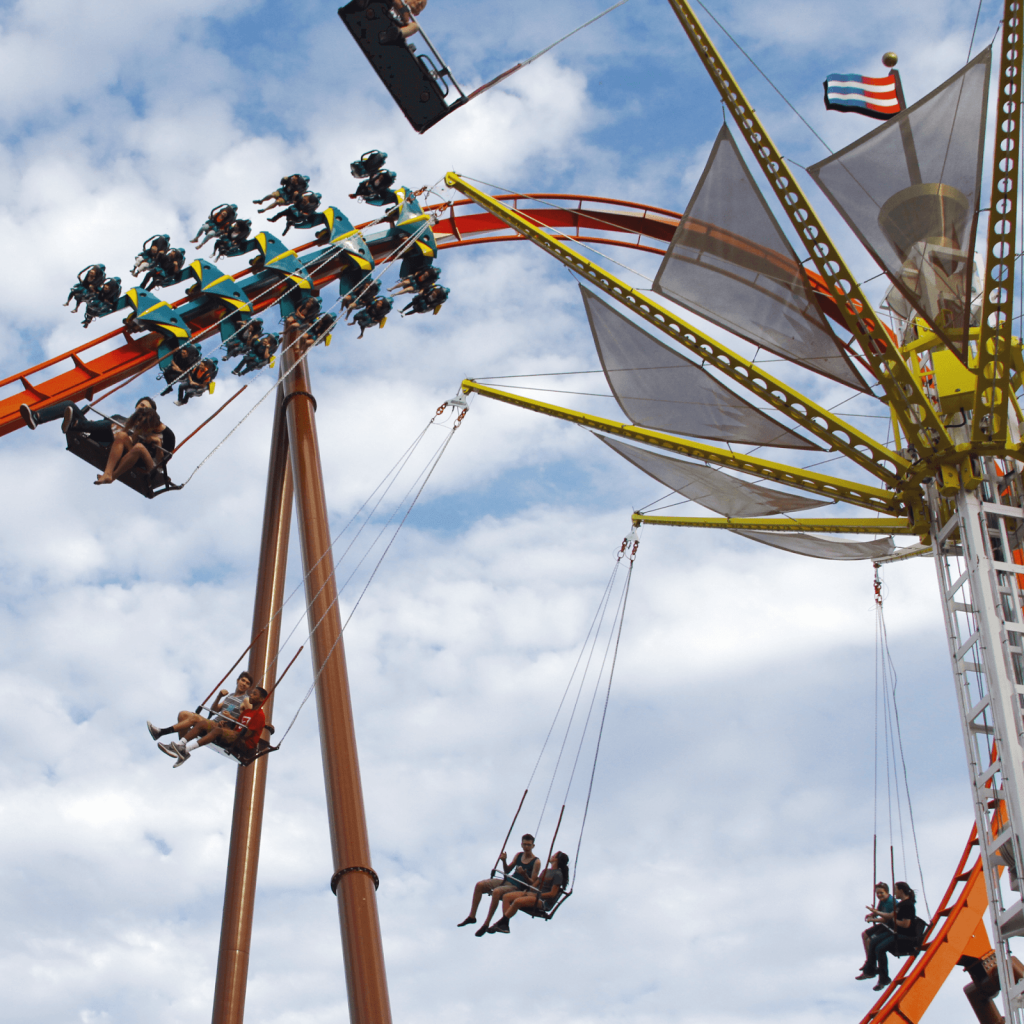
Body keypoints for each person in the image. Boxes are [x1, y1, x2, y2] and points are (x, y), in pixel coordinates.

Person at [148, 671, 254, 752]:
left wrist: (231, 718)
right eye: (243, 680)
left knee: (194, 718)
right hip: (213, 722)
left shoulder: (246, 700)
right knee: (183, 714)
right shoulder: (230, 696)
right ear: (237, 680)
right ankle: (180, 745)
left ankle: (161, 732)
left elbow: (248, 720)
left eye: (247, 683)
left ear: (249, 687)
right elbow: (214, 710)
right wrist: (219, 696)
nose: (244, 684)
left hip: (221, 728)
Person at [166, 685, 270, 767]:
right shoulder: (246, 712)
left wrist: (226, 732)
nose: (250, 695)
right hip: (235, 736)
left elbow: (246, 734)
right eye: (251, 693)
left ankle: (186, 750)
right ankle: (181, 744)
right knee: (203, 723)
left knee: (218, 731)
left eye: (254, 694)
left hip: (244, 744)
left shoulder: (259, 716)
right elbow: (235, 727)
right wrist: (225, 726)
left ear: (261, 699)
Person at [458, 835, 541, 936]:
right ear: (521, 845)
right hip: (507, 880)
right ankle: (472, 916)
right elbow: (507, 871)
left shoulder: (536, 862)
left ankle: (486, 923)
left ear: (533, 846)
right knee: (479, 885)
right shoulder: (519, 855)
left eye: (529, 845)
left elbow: (532, 883)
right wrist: (504, 861)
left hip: (518, 887)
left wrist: (524, 874)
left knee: (497, 892)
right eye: (524, 844)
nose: (526, 847)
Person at [19, 395, 165, 450]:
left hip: (111, 445)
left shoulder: (146, 429)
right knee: (69, 404)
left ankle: (75, 424)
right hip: (94, 432)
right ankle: (37, 417)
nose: (142, 408)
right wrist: (96, 424)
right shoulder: (119, 416)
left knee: (113, 426)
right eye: (141, 405)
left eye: (146, 408)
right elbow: (103, 425)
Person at [488, 850, 569, 934]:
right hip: (534, 894)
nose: (551, 856)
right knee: (506, 897)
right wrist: (524, 875)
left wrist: (537, 895)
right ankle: (505, 924)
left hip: (543, 901)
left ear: (556, 859)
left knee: (517, 901)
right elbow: (533, 886)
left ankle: (501, 923)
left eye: (554, 856)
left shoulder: (558, 874)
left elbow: (552, 894)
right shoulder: (545, 871)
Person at [858, 882, 917, 990]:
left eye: (895, 889)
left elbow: (905, 924)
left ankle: (883, 979)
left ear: (901, 890)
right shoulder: (900, 904)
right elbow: (890, 915)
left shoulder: (907, 905)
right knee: (873, 942)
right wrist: (875, 912)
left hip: (904, 935)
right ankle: (870, 970)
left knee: (879, 948)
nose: (894, 892)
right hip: (896, 931)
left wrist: (894, 921)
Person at [94, 403, 170, 484]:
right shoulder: (139, 428)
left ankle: (113, 477)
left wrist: (158, 443)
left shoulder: (159, 434)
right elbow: (130, 443)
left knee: (139, 447)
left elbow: (160, 464)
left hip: (152, 466)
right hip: (136, 456)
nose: (140, 424)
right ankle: (107, 473)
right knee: (122, 435)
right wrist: (136, 434)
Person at [860, 883, 896, 968]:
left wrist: (873, 919)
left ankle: (872, 963)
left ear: (887, 892)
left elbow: (887, 918)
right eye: (877, 893)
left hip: (891, 927)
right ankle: (869, 960)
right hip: (885, 925)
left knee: (870, 940)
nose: (879, 895)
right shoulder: (882, 901)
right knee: (864, 934)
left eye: (881, 893)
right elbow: (879, 911)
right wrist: (872, 914)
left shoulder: (891, 902)